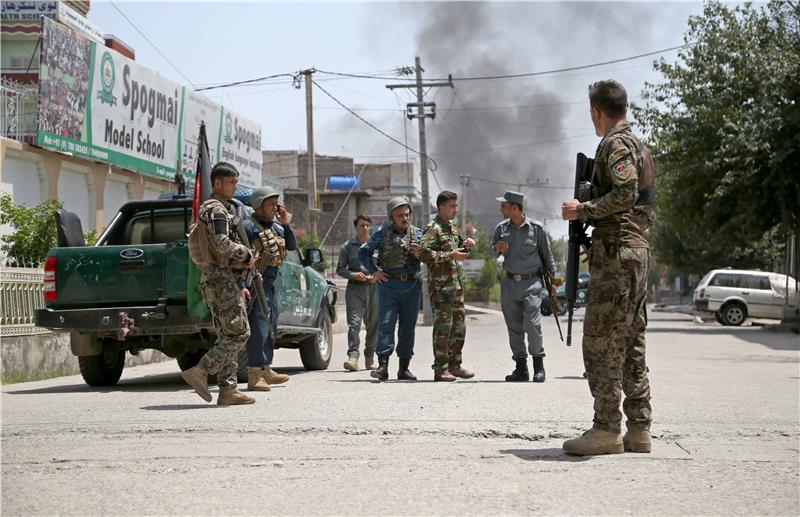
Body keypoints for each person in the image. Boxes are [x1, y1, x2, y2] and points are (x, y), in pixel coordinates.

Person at [561, 79, 654, 456]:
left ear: (597, 112)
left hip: (618, 251)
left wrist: (582, 209)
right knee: (631, 340)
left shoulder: (616, 144)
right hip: (634, 250)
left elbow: (625, 193)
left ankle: (606, 429)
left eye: (591, 113)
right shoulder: (639, 145)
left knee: (600, 341)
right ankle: (639, 429)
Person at [181, 162, 256, 406]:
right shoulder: (216, 210)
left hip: (219, 278)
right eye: (232, 182)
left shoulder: (216, 209)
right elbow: (222, 242)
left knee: (227, 334)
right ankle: (201, 371)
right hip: (219, 279)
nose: (235, 186)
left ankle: (228, 390)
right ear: (217, 183)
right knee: (240, 334)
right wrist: (245, 254)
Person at [491, 191, 557, 383]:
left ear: (514, 208)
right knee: (514, 327)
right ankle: (521, 369)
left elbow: (548, 257)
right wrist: (496, 249)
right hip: (509, 284)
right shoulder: (501, 229)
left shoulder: (537, 229)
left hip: (532, 284)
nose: (500, 209)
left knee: (532, 324)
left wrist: (553, 282)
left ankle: (539, 367)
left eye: (503, 206)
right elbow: (491, 252)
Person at [359, 196, 423, 382]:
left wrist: (420, 252)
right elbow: (364, 251)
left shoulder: (418, 234)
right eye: (400, 215)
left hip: (411, 286)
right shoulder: (381, 233)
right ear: (391, 217)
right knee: (386, 324)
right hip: (389, 285)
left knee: (408, 327)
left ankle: (404, 368)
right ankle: (383, 367)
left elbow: (430, 255)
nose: (405, 218)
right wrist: (374, 272)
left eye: (407, 214)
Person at [242, 186, 296, 391]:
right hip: (257, 284)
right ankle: (254, 375)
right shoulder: (248, 227)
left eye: (276, 203)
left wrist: (286, 223)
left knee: (270, 329)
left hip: (271, 285)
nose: (275, 207)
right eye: (270, 204)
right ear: (258, 205)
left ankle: (266, 369)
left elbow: (291, 246)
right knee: (258, 329)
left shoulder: (276, 228)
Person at [419, 191, 476, 381]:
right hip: (441, 288)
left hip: (455, 287)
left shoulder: (451, 228)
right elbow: (424, 253)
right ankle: (441, 369)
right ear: (441, 207)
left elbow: (457, 250)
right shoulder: (433, 228)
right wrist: (450, 255)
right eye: (452, 206)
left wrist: (466, 244)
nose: (455, 209)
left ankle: (455, 365)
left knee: (459, 328)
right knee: (444, 329)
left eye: (456, 206)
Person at [337, 215, 379, 372]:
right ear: (356, 227)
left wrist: (376, 275)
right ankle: (353, 357)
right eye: (362, 225)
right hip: (355, 289)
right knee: (354, 324)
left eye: (367, 225)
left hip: (374, 289)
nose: (365, 228)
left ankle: (370, 356)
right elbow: (340, 269)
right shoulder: (347, 246)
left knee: (374, 325)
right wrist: (353, 275)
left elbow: (384, 265)